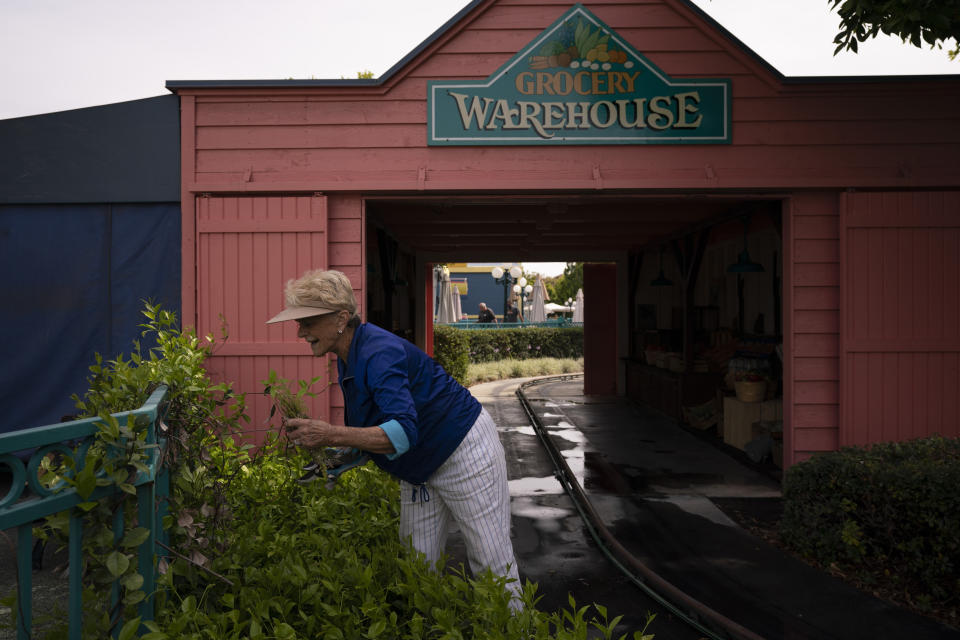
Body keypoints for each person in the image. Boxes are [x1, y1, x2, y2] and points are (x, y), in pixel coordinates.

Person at [267, 269, 522, 606]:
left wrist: (329, 433)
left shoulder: (378, 352)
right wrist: (339, 457)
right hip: (419, 467)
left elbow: (401, 433)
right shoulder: (348, 354)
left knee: (491, 563)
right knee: (417, 567)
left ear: (341, 318)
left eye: (308, 322)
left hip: (463, 451)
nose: (300, 331)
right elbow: (380, 425)